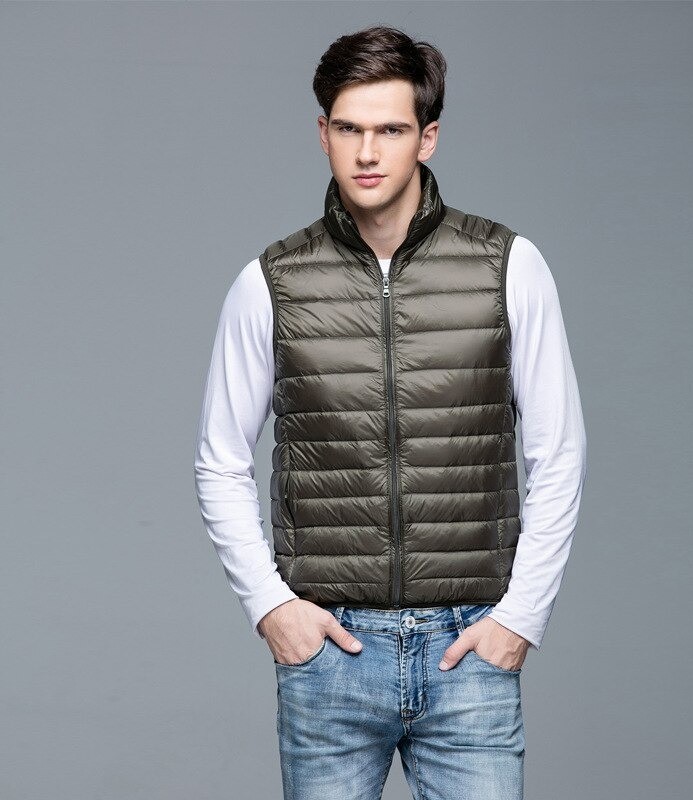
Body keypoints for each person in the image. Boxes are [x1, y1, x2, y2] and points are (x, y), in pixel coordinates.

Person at [194, 24, 587, 800]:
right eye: (349, 129)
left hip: (468, 646)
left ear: (427, 137)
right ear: (323, 134)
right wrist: (272, 607)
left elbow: (558, 452)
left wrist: (521, 617)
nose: (367, 152)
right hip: (330, 654)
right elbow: (219, 459)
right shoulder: (270, 283)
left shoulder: (509, 267)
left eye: (391, 130)